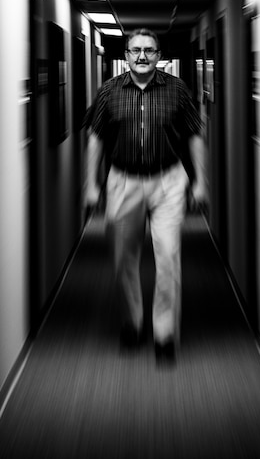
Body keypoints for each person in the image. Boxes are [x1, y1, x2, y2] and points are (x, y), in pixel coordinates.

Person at [85, 28, 205, 365]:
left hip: (167, 179)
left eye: (149, 50)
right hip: (123, 181)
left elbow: (195, 135)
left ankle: (165, 334)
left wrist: (201, 183)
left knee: (168, 257)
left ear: (158, 55)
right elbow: (95, 138)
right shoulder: (109, 92)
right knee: (124, 259)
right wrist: (91, 185)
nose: (142, 56)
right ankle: (132, 324)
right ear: (126, 55)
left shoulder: (177, 90)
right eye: (135, 50)